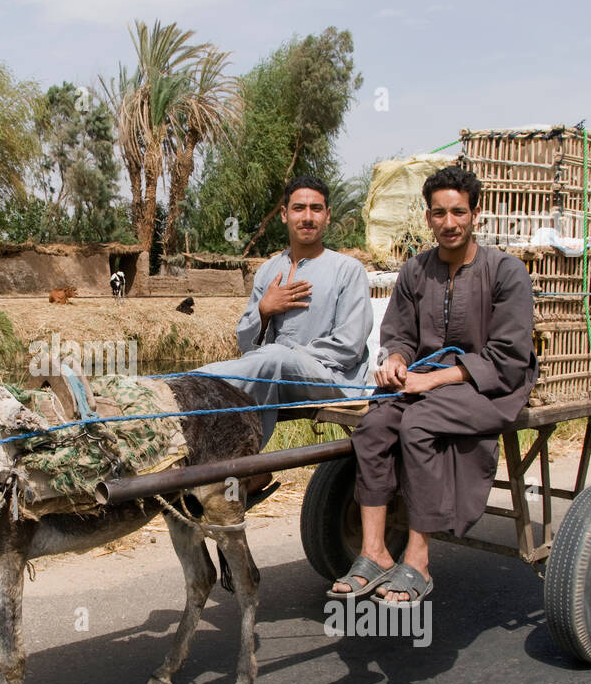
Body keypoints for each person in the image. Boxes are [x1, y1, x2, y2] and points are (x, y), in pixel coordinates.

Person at [332, 165, 537, 605]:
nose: (449, 223)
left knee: (418, 424)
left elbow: (507, 358)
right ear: (428, 217)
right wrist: (398, 363)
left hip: (492, 388)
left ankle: (419, 559)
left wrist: (431, 380)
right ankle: (374, 553)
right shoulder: (414, 271)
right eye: (439, 213)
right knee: (373, 425)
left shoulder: (506, 272)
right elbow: (399, 335)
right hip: (425, 384)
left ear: (475, 214)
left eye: (458, 212)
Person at [197, 174, 373, 448]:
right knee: (266, 366)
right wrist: (264, 311)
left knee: (273, 359)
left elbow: (349, 347)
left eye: (316, 209)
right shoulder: (269, 270)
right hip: (275, 375)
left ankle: (189, 388)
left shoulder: (348, 270)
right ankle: (237, 462)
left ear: (327, 215)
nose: (307, 217)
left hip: (333, 380)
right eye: (298, 208)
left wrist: (287, 355)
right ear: (284, 214)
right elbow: (246, 345)